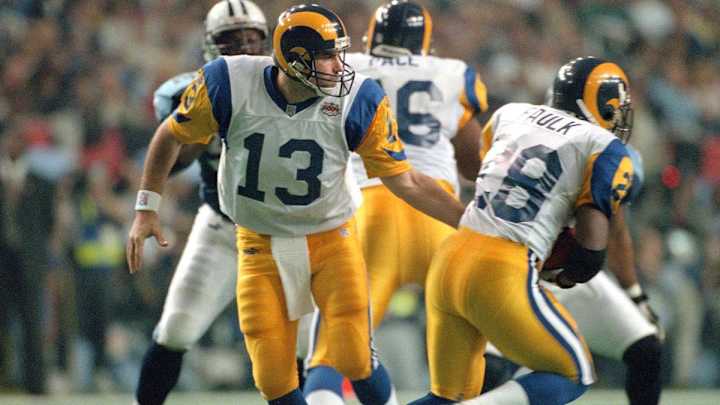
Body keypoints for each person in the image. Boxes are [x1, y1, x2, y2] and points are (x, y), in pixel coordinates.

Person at [126, 4, 466, 405]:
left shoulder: (359, 98)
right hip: (254, 241)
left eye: (340, 53)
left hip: (329, 240)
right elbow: (170, 136)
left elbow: (406, 180)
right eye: (328, 56)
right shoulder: (227, 82)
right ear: (296, 59)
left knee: (353, 355)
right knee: (272, 376)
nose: (340, 66)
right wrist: (146, 207)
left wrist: (470, 221)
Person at [409, 56, 636, 405]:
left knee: (446, 396)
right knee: (574, 372)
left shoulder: (511, 113)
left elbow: (489, 175)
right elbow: (590, 252)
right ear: (605, 105)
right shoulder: (603, 146)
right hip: (503, 267)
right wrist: (564, 272)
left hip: (452, 256)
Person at [301, 2, 488, 403]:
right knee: (473, 351)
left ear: (372, 36)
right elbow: (473, 164)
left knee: (331, 354)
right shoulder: (452, 73)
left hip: (367, 211)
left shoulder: (346, 67)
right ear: (425, 42)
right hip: (439, 216)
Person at [132, 1, 269, 404]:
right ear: (211, 45)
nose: (244, 49)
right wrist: (207, 120)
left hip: (286, 233)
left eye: (251, 40)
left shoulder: (291, 88)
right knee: (176, 328)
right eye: (232, 41)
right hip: (223, 228)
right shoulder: (191, 91)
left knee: (299, 347)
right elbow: (176, 159)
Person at [482, 145, 664, 405]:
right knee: (491, 370)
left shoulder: (605, 156)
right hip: (518, 273)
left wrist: (636, 296)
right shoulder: (542, 148)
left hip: (573, 278)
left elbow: (616, 231)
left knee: (646, 348)